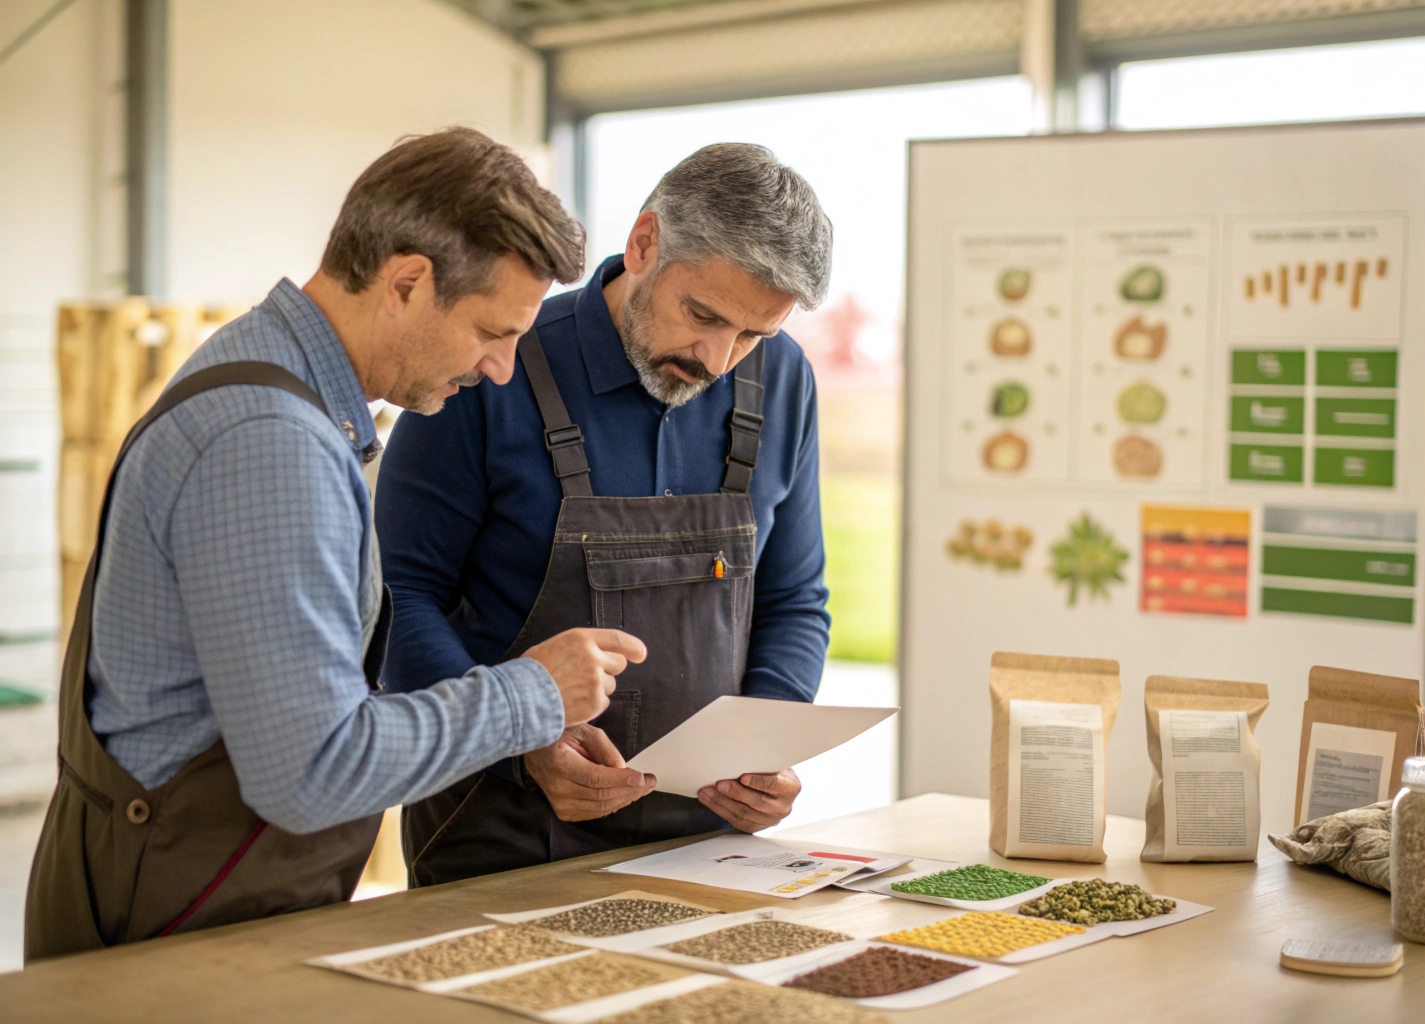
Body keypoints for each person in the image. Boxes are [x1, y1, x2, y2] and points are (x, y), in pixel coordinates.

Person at [24, 128, 646, 961]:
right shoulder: (269, 439)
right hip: (173, 932)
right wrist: (532, 694)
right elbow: (313, 772)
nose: (501, 370)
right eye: (493, 333)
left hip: (198, 900)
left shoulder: (278, 384)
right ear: (408, 281)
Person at [376, 143, 834, 885]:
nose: (719, 359)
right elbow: (399, 600)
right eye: (703, 315)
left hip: (707, 845)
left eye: (752, 336)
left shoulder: (782, 381)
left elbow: (793, 599)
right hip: (498, 829)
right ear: (645, 243)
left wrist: (765, 742)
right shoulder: (492, 361)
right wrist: (519, 741)